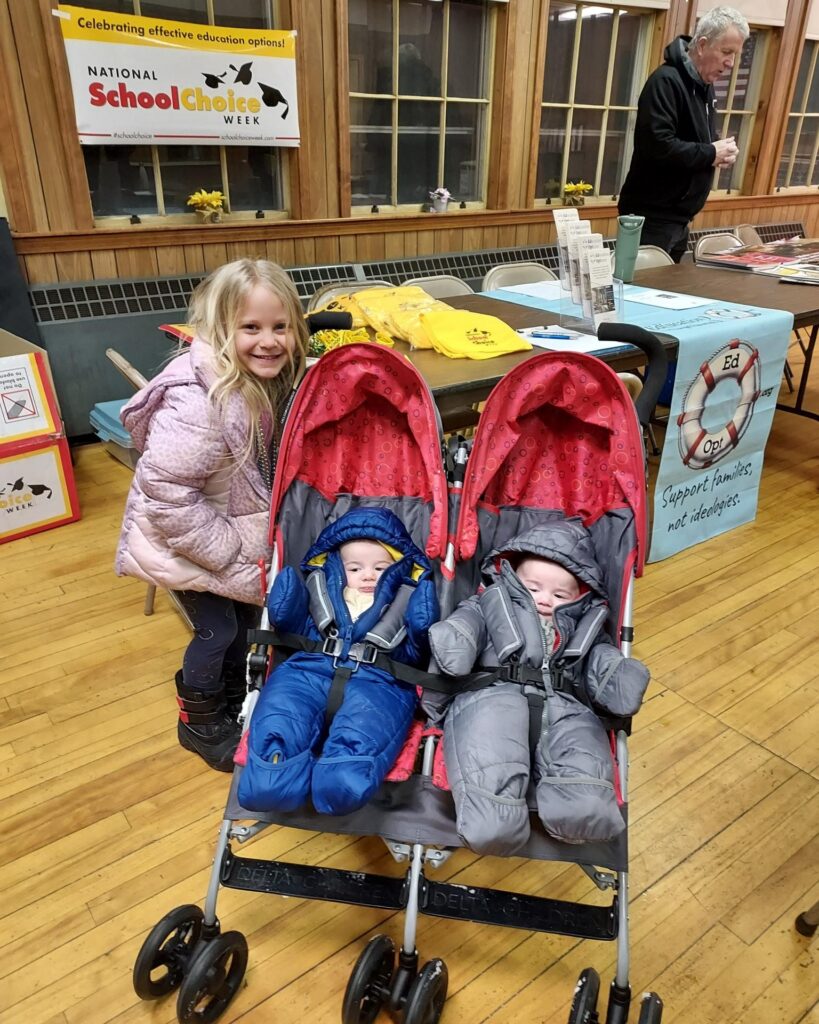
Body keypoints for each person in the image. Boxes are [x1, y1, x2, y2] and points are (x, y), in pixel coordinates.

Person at [116, 259, 308, 772]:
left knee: (242, 624)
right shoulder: (198, 403)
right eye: (250, 328)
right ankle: (199, 721)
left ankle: (230, 702)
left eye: (280, 327)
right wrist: (227, 554)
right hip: (183, 541)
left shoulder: (259, 381)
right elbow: (167, 494)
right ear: (220, 330)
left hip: (224, 535)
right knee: (216, 632)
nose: (268, 341)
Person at [428, 518, 650, 856]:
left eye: (560, 594)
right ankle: (493, 818)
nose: (545, 599)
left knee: (583, 757)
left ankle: (580, 804)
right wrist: (456, 638)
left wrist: (616, 675)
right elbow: (466, 624)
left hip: (567, 706)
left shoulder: (587, 624)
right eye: (533, 588)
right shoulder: (488, 603)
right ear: (512, 577)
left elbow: (599, 659)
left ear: (581, 594)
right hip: (493, 697)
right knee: (489, 756)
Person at [237, 506, 439, 816]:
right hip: (309, 668)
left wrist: (420, 629)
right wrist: (286, 607)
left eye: (381, 568)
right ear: (335, 566)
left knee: (367, 726)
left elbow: (412, 657)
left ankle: (343, 776)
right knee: (284, 710)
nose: (368, 575)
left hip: (380, 679)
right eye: (355, 568)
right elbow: (297, 630)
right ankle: (272, 769)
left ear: (399, 568)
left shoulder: (407, 597)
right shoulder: (323, 591)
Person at [618, 6, 749, 263]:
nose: (731, 63)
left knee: (666, 297)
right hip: (651, 217)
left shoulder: (704, 87)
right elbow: (658, 146)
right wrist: (711, 152)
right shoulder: (666, 81)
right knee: (641, 296)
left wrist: (720, 151)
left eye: (735, 55)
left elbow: (698, 141)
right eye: (726, 52)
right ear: (701, 45)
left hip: (680, 217)